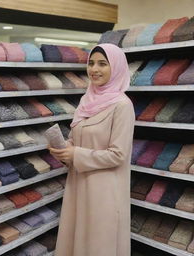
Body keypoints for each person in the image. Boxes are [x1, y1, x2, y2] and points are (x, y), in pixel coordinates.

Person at [49, 43, 135, 256]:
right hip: (78, 184)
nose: (94, 69)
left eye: (103, 64)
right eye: (91, 63)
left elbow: (118, 154)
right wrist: (64, 149)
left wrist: (76, 154)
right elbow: (76, 136)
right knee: (76, 241)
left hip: (103, 190)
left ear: (116, 68)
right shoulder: (86, 100)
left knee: (98, 245)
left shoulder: (122, 106)